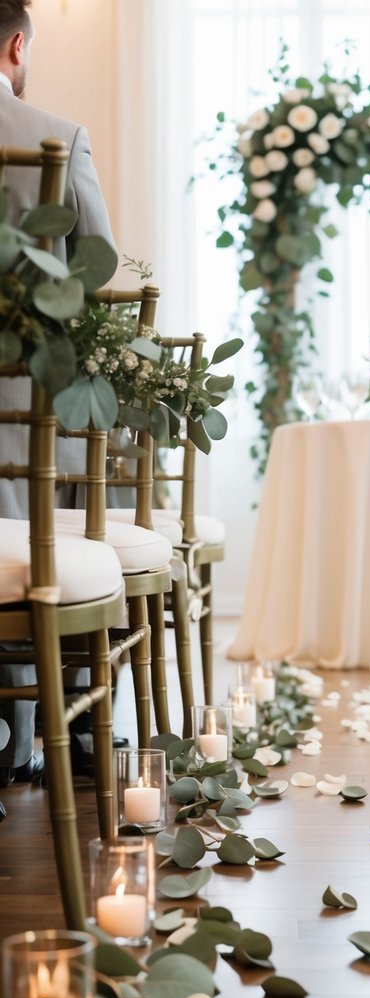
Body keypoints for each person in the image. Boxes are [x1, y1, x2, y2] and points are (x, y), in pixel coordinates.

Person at [0, 0, 115, 799]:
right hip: (29, 410)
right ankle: (66, 718)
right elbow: (96, 276)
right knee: (65, 475)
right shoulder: (56, 134)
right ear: (15, 45)